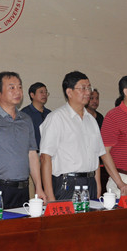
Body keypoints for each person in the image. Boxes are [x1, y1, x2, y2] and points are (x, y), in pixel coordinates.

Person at [0, 72, 46, 208]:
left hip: (23, 188)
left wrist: (39, 187)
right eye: (11, 88)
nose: (17, 91)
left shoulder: (26, 120)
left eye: (19, 87)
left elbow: (32, 155)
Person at [40, 71, 105, 200]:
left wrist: (97, 185)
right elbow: (45, 158)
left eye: (89, 88)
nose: (88, 92)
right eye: (83, 88)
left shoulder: (91, 120)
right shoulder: (56, 118)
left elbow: (96, 155)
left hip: (90, 182)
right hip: (68, 183)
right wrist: (49, 196)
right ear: (69, 92)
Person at [21, 82, 51, 150]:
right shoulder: (24, 114)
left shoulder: (49, 114)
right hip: (31, 152)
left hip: (48, 152)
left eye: (46, 92)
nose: (44, 95)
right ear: (32, 95)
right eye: (41, 92)